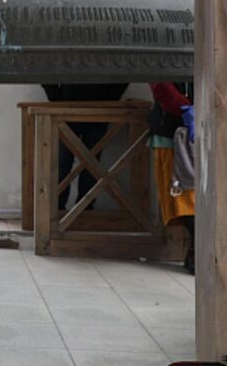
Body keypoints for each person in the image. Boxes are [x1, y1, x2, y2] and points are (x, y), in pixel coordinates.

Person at [41, 83, 129, 212]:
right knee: (68, 163)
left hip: (80, 108)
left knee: (83, 164)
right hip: (77, 109)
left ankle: (79, 209)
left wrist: (57, 98)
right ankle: (67, 209)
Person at [149, 81, 196, 274]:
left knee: (197, 199)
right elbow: (160, 84)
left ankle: (195, 252)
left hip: (206, 126)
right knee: (184, 199)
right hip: (171, 131)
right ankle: (198, 251)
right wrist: (184, 108)